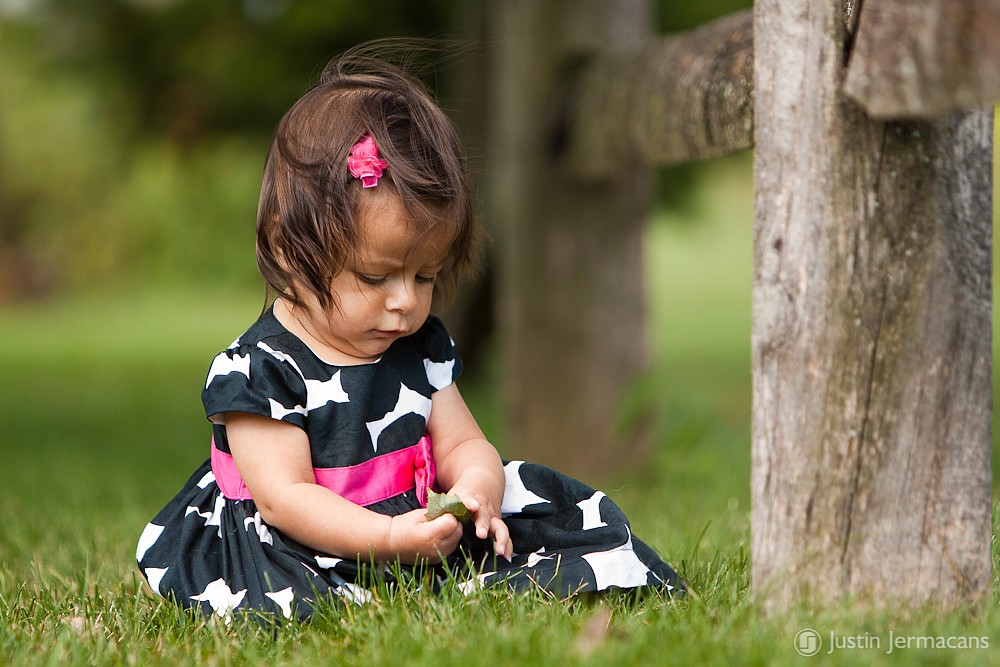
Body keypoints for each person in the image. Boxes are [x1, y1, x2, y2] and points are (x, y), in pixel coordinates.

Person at [136, 48, 683, 622]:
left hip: (412, 525)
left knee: (549, 532)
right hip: (301, 539)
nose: (405, 302)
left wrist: (475, 489)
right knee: (306, 603)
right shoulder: (259, 372)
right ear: (287, 249)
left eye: (425, 276)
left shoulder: (417, 348)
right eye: (376, 277)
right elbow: (285, 501)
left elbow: (464, 444)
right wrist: (389, 539)